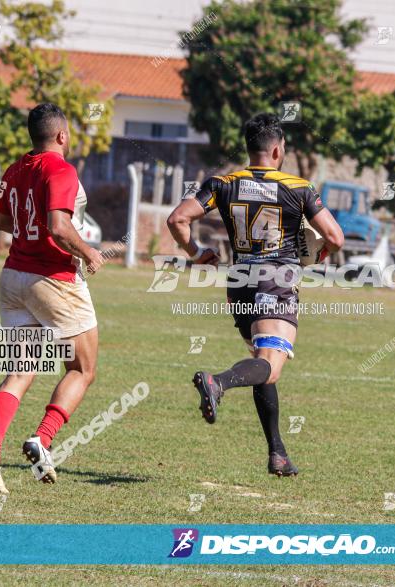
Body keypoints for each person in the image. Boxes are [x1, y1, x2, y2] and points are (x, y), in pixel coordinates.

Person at [166, 112, 344, 476]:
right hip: (276, 280)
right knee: (269, 364)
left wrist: (197, 253)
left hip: (240, 282)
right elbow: (336, 237)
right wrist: (318, 255)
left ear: (251, 149)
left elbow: (177, 220)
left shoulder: (222, 182)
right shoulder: (299, 187)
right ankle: (219, 382)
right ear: (277, 150)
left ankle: (277, 452)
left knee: (264, 367)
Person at [0, 103, 103, 493]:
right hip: (54, 279)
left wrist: (29, 231)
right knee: (82, 369)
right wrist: (89, 251)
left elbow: (0, 221)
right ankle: (42, 439)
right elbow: (60, 227)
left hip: (13, 277)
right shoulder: (61, 169)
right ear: (62, 135)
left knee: (21, 370)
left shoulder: (15, 169)